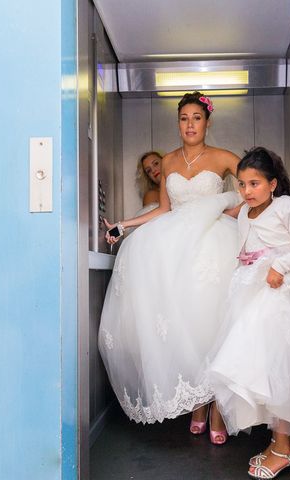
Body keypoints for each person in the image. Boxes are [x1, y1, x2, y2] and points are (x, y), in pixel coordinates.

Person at [99, 92, 242, 444]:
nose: (190, 124)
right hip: (175, 249)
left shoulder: (224, 157)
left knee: (215, 320)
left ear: (207, 122)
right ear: (178, 123)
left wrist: (226, 214)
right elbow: (163, 209)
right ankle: (197, 400)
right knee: (187, 323)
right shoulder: (169, 163)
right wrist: (124, 225)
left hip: (214, 245)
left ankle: (218, 406)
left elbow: (250, 192)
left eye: (196, 117)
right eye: (184, 118)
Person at [206, 147, 290, 478]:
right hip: (252, 291)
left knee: (279, 366)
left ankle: (285, 446)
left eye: (255, 184)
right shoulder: (243, 215)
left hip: (281, 292)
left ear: (273, 184)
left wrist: (279, 264)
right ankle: (279, 443)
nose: (248, 191)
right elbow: (246, 251)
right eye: (242, 185)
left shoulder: (286, 207)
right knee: (257, 365)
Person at [135, 151, 162, 215]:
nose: (153, 170)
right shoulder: (151, 195)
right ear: (149, 177)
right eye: (149, 171)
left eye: (156, 163)